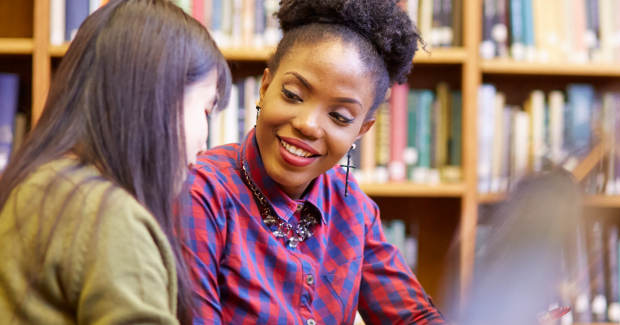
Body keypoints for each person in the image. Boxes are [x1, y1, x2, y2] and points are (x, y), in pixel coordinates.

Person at [181, 0, 446, 324]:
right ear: (265, 88)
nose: (308, 124)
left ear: (361, 131)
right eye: (293, 95)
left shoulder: (353, 208)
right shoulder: (203, 193)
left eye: (339, 116)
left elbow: (413, 316)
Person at [0, 0, 231, 323]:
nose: (204, 143)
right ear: (159, 97)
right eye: (206, 110)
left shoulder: (38, 185)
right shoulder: (105, 215)